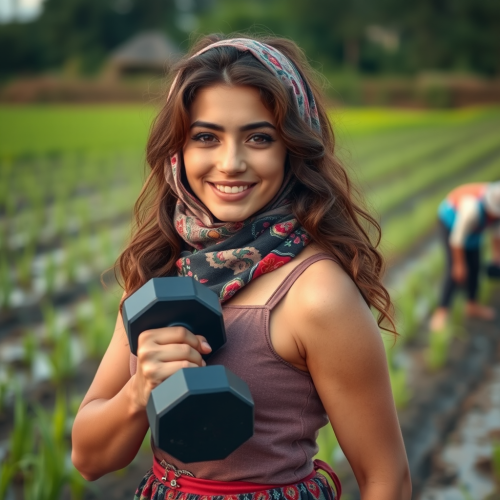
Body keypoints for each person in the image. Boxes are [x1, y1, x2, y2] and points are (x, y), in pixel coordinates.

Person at [71, 35, 411, 500]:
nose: (230, 163)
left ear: (292, 149)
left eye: (258, 138)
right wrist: (138, 391)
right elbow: (90, 460)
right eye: (206, 137)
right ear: (178, 151)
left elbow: (386, 479)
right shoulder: (163, 272)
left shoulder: (316, 294)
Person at [430, 181, 500, 332]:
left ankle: (472, 305)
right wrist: (459, 264)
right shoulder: (472, 209)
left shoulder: (496, 212)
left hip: (474, 229)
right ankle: (441, 312)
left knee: (475, 266)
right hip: (451, 223)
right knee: (454, 272)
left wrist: (496, 257)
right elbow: (457, 240)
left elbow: (496, 234)